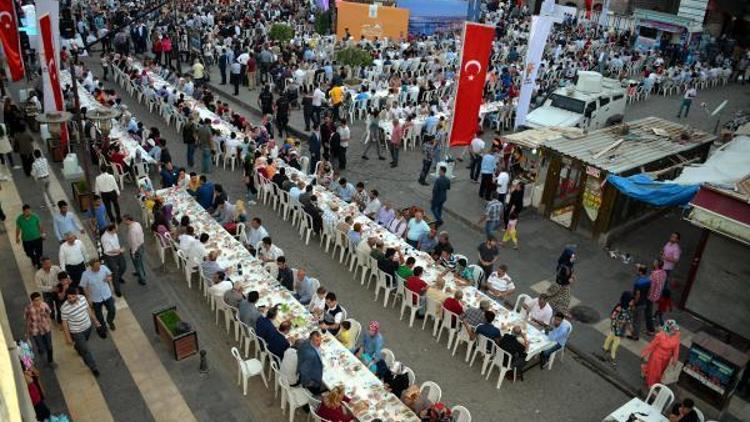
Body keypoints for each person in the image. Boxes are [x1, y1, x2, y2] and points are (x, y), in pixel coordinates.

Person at [60, 288, 101, 376]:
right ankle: (93, 367)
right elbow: (65, 324)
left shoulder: (82, 298)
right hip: (76, 332)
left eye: (73, 297)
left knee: (82, 345)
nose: (71, 299)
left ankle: (78, 347)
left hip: (88, 327)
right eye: (69, 298)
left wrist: (95, 321)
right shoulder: (64, 308)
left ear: (77, 294)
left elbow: (89, 310)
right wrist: (68, 337)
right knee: (86, 350)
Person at [80, 258, 117, 332]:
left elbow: (110, 275)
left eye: (99, 266)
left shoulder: (103, 268)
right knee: (99, 315)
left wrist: (109, 278)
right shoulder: (86, 274)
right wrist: (88, 298)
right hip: (95, 298)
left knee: (112, 310)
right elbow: (84, 286)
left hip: (107, 294)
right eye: (96, 267)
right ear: (91, 267)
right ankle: (103, 326)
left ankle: (110, 321)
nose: (99, 268)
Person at [641, 320, 681, 387]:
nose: (674, 331)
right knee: (654, 372)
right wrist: (644, 353)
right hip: (656, 357)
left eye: (674, 329)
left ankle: (652, 379)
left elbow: (676, 349)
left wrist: (675, 360)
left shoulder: (676, 336)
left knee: (660, 372)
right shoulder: (660, 335)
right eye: (672, 329)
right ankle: (651, 385)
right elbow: (652, 345)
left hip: (666, 359)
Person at [602, 291, 634, 366]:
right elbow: (612, 316)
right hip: (616, 326)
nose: (632, 302)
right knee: (617, 341)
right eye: (631, 301)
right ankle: (612, 356)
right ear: (627, 300)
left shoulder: (628, 308)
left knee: (611, 335)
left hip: (619, 327)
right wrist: (620, 321)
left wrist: (630, 326)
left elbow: (628, 317)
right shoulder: (619, 308)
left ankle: (605, 347)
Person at [24, 292, 55, 366]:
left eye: (39, 299)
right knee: (41, 346)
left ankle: (50, 361)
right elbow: (28, 320)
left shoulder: (44, 305)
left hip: (46, 328)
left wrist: (49, 324)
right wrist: (28, 332)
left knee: (49, 346)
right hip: (36, 330)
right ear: (32, 301)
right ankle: (41, 351)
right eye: (36, 300)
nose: (38, 302)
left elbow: (48, 314)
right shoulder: (29, 308)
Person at [101, 224, 127, 296]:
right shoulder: (104, 238)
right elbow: (107, 251)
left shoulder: (114, 234)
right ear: (112, 229)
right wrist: (119, 250)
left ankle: (118, 277)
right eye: (116, 229)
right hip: (110, 257)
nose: (117, 231)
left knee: (123, 266)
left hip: (119, 254)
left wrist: (119, 251)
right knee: (114, 272)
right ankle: (117, 289)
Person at [631, 264, 655, 340]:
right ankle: (635, 334)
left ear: (640, 272)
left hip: (638, 304)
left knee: (635, 320)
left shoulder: (638, 283)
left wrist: (634, 303)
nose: (637, 271)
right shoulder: (648, 280)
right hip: (644, 302)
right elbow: (649, 291)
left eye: (638, 270)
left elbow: (637, 295)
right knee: (639, 320)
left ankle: (635, 335)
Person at [34, 258, 61, 323]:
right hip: (47, 293)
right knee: (49, 308)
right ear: (42, 265)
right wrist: (51, 288)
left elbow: (62, 275)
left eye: (50, 263)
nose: (49, 265)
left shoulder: (56, 268)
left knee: (59, 306)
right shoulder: (38, 274)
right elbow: (40, 287)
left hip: (57, 289)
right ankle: (52, 317)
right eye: (46, 264)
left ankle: (60, 320)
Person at [123, 215, 146, 285]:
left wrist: (133, 252)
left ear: (128, 220)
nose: (123, 222)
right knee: (140, 261)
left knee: (137, 263)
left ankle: (142, 279)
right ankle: (142, 272)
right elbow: (142, 233)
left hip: (136, 249)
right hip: (141, 245)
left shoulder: (132, 230)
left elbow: (134, 243)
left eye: (124, 220)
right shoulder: (137, 224)